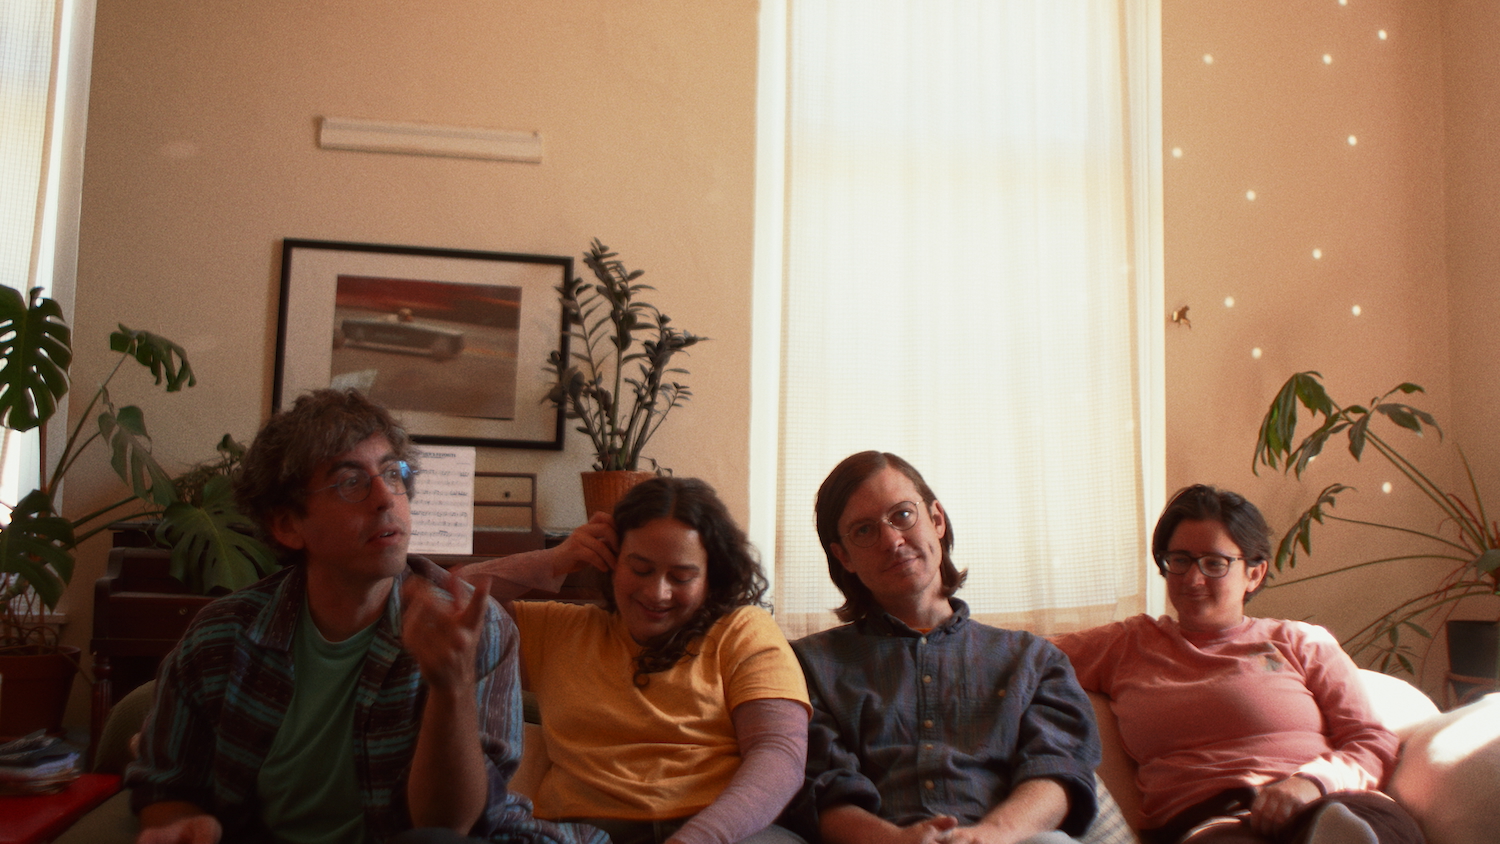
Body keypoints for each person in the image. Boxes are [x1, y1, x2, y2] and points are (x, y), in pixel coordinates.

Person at [126, 388, 605, 844]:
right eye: (351, 482)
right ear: (288, 525)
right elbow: (165, 785)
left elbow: (447, 828)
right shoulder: (220, 636)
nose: (385, 498)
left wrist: (451, 688)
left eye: (393, 474)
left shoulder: (474, 628)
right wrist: (182, 823)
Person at [1051, 484, 1426, 844]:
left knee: (1367, 827)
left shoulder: (1301, 642)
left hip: (1326, 801)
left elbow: (1371, 738)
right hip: (1214, 821)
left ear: (1254, 573)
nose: (1193, 578)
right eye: (1179, 560)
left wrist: (1310, 783)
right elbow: (1025, 654)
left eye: (1214, 563)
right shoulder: (1126, 645)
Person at [464, 476, 812, 844]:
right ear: (612, 561)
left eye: (681, 577)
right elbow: (444, 600)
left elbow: (779, 756)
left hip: (720, 831)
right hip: (581, 833)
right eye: (641, 569)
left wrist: (697, 838)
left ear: (711, 577)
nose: (657, 593)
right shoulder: (557, 628)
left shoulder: (742, 630)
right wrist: (552, 560)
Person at [786, 451, 1101, 844]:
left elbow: (1059, 772)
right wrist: (895, 841)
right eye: (864, 530)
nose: (892, 540)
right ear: (844, 556)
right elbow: (820, 787)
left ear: (937, 519)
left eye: (902, 514)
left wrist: (990, 835)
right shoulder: (808, 665)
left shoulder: (1034, 660)